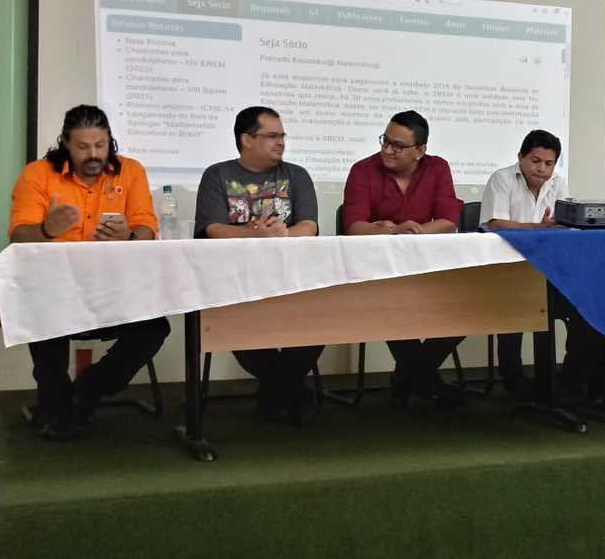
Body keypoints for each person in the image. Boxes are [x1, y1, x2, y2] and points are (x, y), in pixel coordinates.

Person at [8, 105, 170, 440]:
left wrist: (129, 235)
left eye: (101, 144)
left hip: (114, 290)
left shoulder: (131, 171)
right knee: (42, 313)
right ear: (65, 142)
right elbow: (18, 236)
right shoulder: (38, 174)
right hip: (55, 289)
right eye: (83, 147)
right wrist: (47, 230)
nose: (94, 154)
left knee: (155, 327)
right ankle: (56, 401)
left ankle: (89, 389)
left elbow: (147, 229)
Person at [194, 106, 322, 424]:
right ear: (246, 139)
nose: (281, 142)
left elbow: (310, 226)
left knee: (322, 317)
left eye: (282, 135)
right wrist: (254, 234)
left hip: (293, 278)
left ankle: (276, 389)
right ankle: (287, 389)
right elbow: (213, 230)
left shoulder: (297, 175)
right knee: (235, 321)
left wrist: (283, 234)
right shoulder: (218, 175)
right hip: (236, 280)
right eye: (272, 136)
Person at [342, 110, 465, 408]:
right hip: (376, 272)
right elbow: (354, 227)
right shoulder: (363, 170)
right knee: (389, 305)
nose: (387, 150)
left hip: (425, 267)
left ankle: (409, 375)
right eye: (386, 141)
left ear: (420, 151)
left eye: (398, 145)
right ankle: (425, 380)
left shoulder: (437, 168)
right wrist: (394, 232)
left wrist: (415, 231)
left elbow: (449, 220)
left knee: (467, 306)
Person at [479, 130, 569, 397]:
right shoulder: (502, 179)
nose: (542, 169)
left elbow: (563, 226)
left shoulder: (559, 184)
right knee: (515, 306)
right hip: (503, 267)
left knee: (560, 305)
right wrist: (538, 228)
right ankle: (512, 381)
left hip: (544, 268)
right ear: (520, 157)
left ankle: (550, 382)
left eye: (549, 163)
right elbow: (496, 224)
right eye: (535, 160)